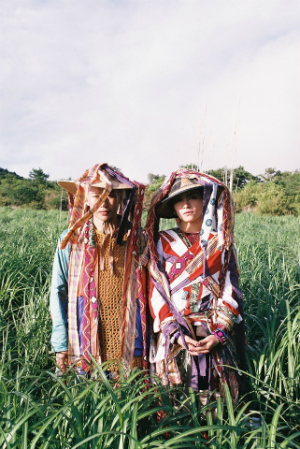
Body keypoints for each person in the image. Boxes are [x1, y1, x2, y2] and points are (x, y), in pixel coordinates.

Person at [142, 169, 246, 404]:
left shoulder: (221, 242)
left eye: (193, 197)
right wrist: (175, 334)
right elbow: (156, 292)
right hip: (175, 335)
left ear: (205, 200)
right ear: (174, 209)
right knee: (174, 404)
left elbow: (231, 290)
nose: (186, 204)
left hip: (212, 333)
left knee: (218, 404)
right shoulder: (161, 241)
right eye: (178, 200)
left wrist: (219, 333)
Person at [50, 163, 147, 376]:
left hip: (131, 343)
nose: (103, 203)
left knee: (130, 403)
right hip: (84, 340)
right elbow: (59, 291)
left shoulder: (138, 239)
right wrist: (60, 343)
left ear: (122, 199)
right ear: (85, 199)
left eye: (111, 195)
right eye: (96, 196)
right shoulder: (71, 240)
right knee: (88, 404)